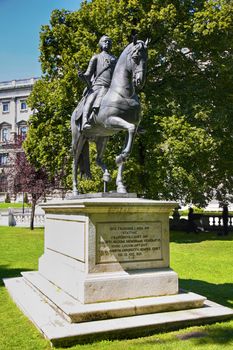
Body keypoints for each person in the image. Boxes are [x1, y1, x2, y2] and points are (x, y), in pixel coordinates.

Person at [77, 35, 117, 130]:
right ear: (101, 43)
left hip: (112, 88)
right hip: (98, 86)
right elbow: (88, 75)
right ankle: (85, 121)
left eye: (109, 42)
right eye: (105, 41)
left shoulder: (115, 59)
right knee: (91, 99)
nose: (107, 43)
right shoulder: (96, 57)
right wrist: (82, 76)